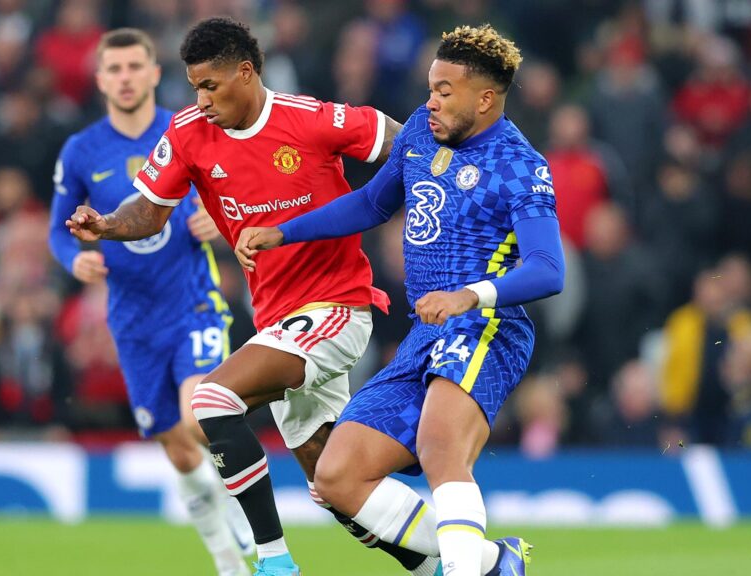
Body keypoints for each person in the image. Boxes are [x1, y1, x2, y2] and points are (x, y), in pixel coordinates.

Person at [67, 17, 446, 576]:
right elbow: (149, 211)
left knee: (212, 401)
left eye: (210, 85)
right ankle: (463, 562)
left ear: (245, 72)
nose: (201, 98)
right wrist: (105, 224)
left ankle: (273, 561)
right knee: (333, 482)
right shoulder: (189, 133)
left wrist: (409, 207)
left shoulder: (309, 118)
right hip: (277, 321)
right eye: (194, 86)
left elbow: (403, 142)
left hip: (336, 306)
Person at [236, 24, 566, 576]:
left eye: (444, 91)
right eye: (430, 87)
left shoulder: (519, 165)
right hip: (426, 333)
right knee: (336, 475)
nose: (429, 101)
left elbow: (548, 269)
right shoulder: (418, 132)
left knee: (441, 446)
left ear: (485, 99)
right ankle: (490, 561)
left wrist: (469, 295)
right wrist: (285, 231)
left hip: (487, 326)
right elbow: (370, 203)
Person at [47, 28, 252, 576]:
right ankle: (227, 561)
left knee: (197, 417)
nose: (126, 77)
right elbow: (57, 232)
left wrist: (222, 216)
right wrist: (75, 260)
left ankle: (247, 524)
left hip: (194, 299)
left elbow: (240, 189)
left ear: (155, 73)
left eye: (135, 66)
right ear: (99, 80)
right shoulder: (82, 151)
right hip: (133, 319)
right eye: (114, 69)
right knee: (178, 449)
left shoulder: (188, 128)